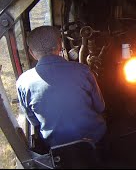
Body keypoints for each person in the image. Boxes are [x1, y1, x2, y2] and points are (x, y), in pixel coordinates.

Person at [16, 26, 107, 154]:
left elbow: (34, 121)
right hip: (93, 140)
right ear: (60, 45)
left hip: (56, 147)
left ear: (31, 52)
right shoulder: (82, 70)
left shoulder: (23, 82)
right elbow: (100, 106)